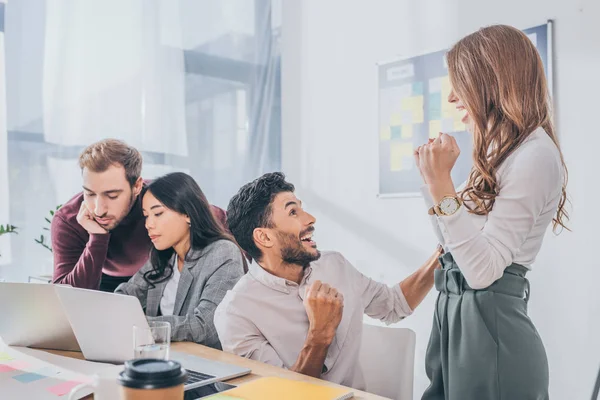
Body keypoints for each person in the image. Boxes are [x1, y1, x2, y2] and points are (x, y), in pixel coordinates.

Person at [414, 25, 569, 400]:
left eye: (461, 84)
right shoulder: (500, 152)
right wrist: (430, 182)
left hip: (490, 332)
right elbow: (452, 245)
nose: (452, 97)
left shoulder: (534, 156)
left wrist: (441, 186)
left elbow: (482, 272)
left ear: (492, 82)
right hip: (455, 322)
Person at [214, 172, 442, 390]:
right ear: (264, 237)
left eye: (302, 208)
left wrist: (446, 252)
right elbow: (285, 396)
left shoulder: (334, 265)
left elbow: (393, 305)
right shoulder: (236, 313)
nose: (310, 219)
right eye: (293, 212)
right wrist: (320, 334)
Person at [51, 139, 228, 292]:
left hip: (158, 281)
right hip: (98, 280)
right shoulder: (68, 220)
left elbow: (221, 220)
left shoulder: (160, 200)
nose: (98, 210)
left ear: (137, 187)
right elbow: (64, 298)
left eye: (112, 196)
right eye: (89, 194)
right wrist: (97, 238)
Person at [115, 172, 245, 348]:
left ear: (188, 214)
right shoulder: (162, 256)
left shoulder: (222, 253)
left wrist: (141, 325)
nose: (148, 224)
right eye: (146, 215)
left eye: (158, 214)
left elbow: (205, 327)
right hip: (165, 357)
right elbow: (124, 298)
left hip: (206, 363)